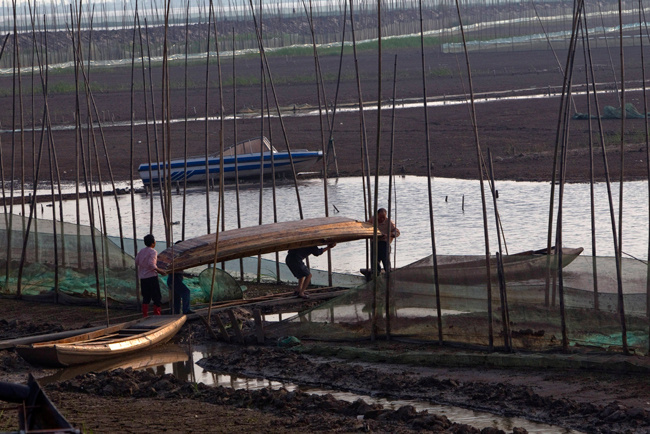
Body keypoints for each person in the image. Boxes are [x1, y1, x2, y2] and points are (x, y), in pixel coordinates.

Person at [135, 234, 166, 317]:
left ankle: (145, 315)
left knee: (146, 297)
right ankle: (157, 315)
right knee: (157, 297)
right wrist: (160, 271)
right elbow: (151, 264)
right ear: (153, 243)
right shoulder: (153, 251)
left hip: (143, 277)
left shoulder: (141, 251)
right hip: (151, 277)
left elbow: (137, 261)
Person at [368, 208, 400, 274]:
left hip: (384, 243)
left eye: (383, 217)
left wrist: (389, 235)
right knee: (374, 261)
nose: (382, 219)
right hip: (375, 243)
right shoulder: (372, 220)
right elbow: (364, 226)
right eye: (380, 217)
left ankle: (388, 273)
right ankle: (375, 273)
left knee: (386, 260)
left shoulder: (389, 222)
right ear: (377, 215)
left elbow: (397, 232)